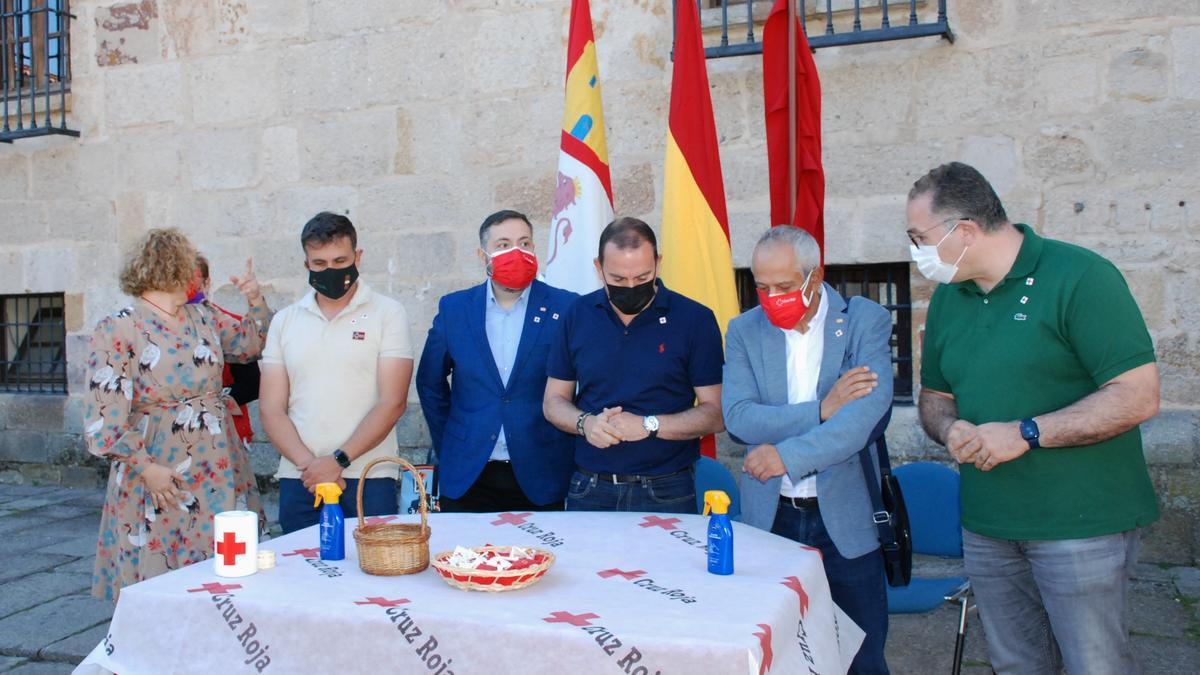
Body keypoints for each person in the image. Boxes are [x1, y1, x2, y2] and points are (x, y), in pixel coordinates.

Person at [910, 162, 1160, 675]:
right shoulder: (948, 299)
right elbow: (934, 395)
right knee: (1016, 664)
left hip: (1080, 525)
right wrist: (949, 427)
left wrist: (1028, 433)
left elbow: (1138, 396)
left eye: (920, 237)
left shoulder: (1082, 278)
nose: (916, 252)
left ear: (965, 231)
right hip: (987, 526)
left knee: (1097, 665)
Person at [723, 225, 894, 674]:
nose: (771, 296)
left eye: (783, 286)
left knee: (860, 657)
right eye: (761, 287)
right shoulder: (743, 330)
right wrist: (820, 409)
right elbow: (739, 417)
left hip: (846, 519)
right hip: (771, 517)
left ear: (814, 278)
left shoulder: (864, 321)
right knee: (779, 656)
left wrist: (787, 456)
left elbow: (863, 420)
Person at [84, 228, 269, 600]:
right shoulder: (120, 326)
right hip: (158, 464)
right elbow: (103, 418)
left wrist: (255, 298)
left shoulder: (203, 316)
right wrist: (146, 468)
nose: (197, 277)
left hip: (218, 459)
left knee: (225, 562)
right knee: (163, 562)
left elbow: (249, 346)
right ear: (175, 267)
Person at [543, 217, 724, 513]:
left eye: (642, 278)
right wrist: (585, 423)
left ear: (658, 263)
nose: (630, 287)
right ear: (598, 268)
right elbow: (553, 401)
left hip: (668, 489)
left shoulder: (695, 319)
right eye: (618, 279)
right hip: (590, 488)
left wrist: (648, 425)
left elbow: (714, 414)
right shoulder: (576, 315)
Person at [259, 212, 414, 534]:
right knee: (301, 576)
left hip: (368, 477)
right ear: (307, 265)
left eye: (340, 260)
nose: (330, 270)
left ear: (358, 257)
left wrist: (337, 461)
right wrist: (311, 467)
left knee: (372, 578)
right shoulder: (285, 321)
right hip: (301, 478)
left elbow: (392, 402)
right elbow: (272, 408)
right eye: (319, 263)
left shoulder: (388, 314)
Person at [416, 210, 578, 512]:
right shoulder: (454, 309)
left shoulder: (566, 307)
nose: (516, 252)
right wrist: (451, 441)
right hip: (469, 473)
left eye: (524, 243)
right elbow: (429, 382)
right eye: (503, 244)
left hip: (540, 472)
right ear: (483, 255)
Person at [187, 254, 274, 448]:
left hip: (225, 427)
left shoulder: (229, 324)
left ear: (207, 283)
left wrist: (209, 405)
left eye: (193, 283)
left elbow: (252, 384)